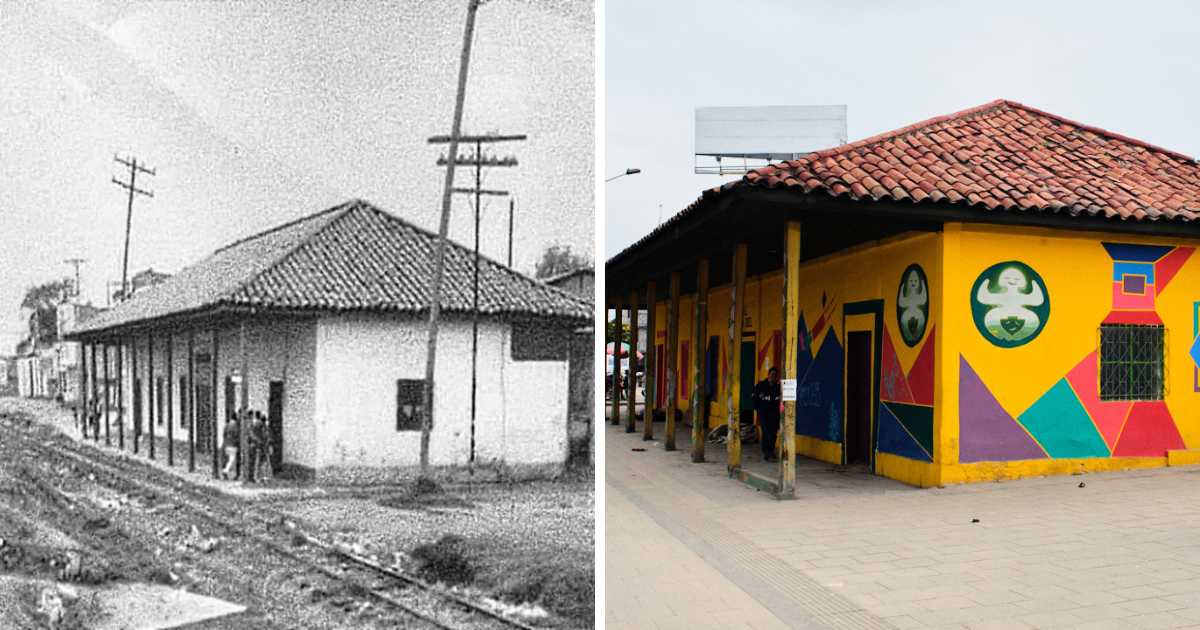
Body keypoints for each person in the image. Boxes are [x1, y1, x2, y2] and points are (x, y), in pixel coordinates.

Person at [753, 367, 782, 462]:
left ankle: (771, 451)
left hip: (775, 414)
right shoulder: (761, 385)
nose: (773, 376)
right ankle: (766, 452)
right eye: (771, 374)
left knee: (773, 433)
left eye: (775, 375)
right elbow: (754, 398)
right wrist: (758, 409)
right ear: (768, 374)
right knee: (766, 432)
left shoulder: (778, 387)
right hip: (764, 413)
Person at [249, 410, 270, 483]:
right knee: (263, 462)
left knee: (258, 462)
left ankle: (258, 476)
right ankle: (263, 477)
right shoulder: (264, 426)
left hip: (258, 445)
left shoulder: (254, 425)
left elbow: (253, 434)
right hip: (262, 446)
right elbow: (266, 436)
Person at [221, 411, 242, 480]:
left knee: (229, 459)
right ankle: (225, 471)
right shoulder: (235, 425)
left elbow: (224, 434)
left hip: (227, 443)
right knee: (232, 459)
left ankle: (226, 472)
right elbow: (237, 435)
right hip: (233, 444)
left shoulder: (227, 424)